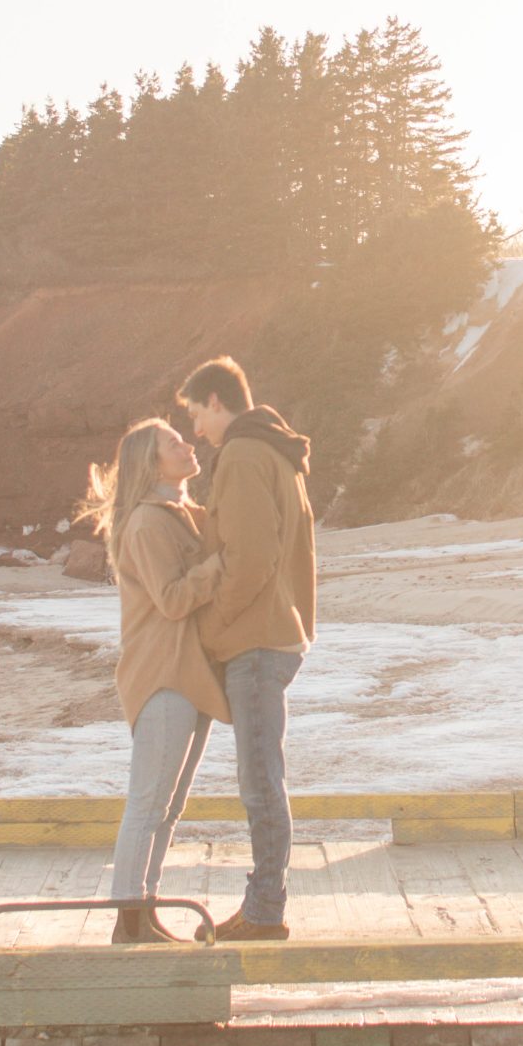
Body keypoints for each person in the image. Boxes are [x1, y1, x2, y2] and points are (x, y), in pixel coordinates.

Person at [177, 355, 315, 942]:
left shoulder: (241, 454)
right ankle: (264, 905)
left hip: (256, 637)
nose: (194, 432)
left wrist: (214, 627)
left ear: (215, 401)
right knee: (264, 776)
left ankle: (264, 911)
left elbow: (251, 558)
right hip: (277, 630)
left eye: (194, 415)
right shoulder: (276, 453)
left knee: (260, 781)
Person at [77, 416, 228, 945]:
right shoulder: (146, 522)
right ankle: (129, 920)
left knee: (168, 807)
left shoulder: (185, 514)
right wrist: (222, 563)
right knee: (148, 804)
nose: (188, 445)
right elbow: (173, 598)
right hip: (162, 677)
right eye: (174, 443)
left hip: (190, 675)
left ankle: (146, 909)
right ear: (152, 461)